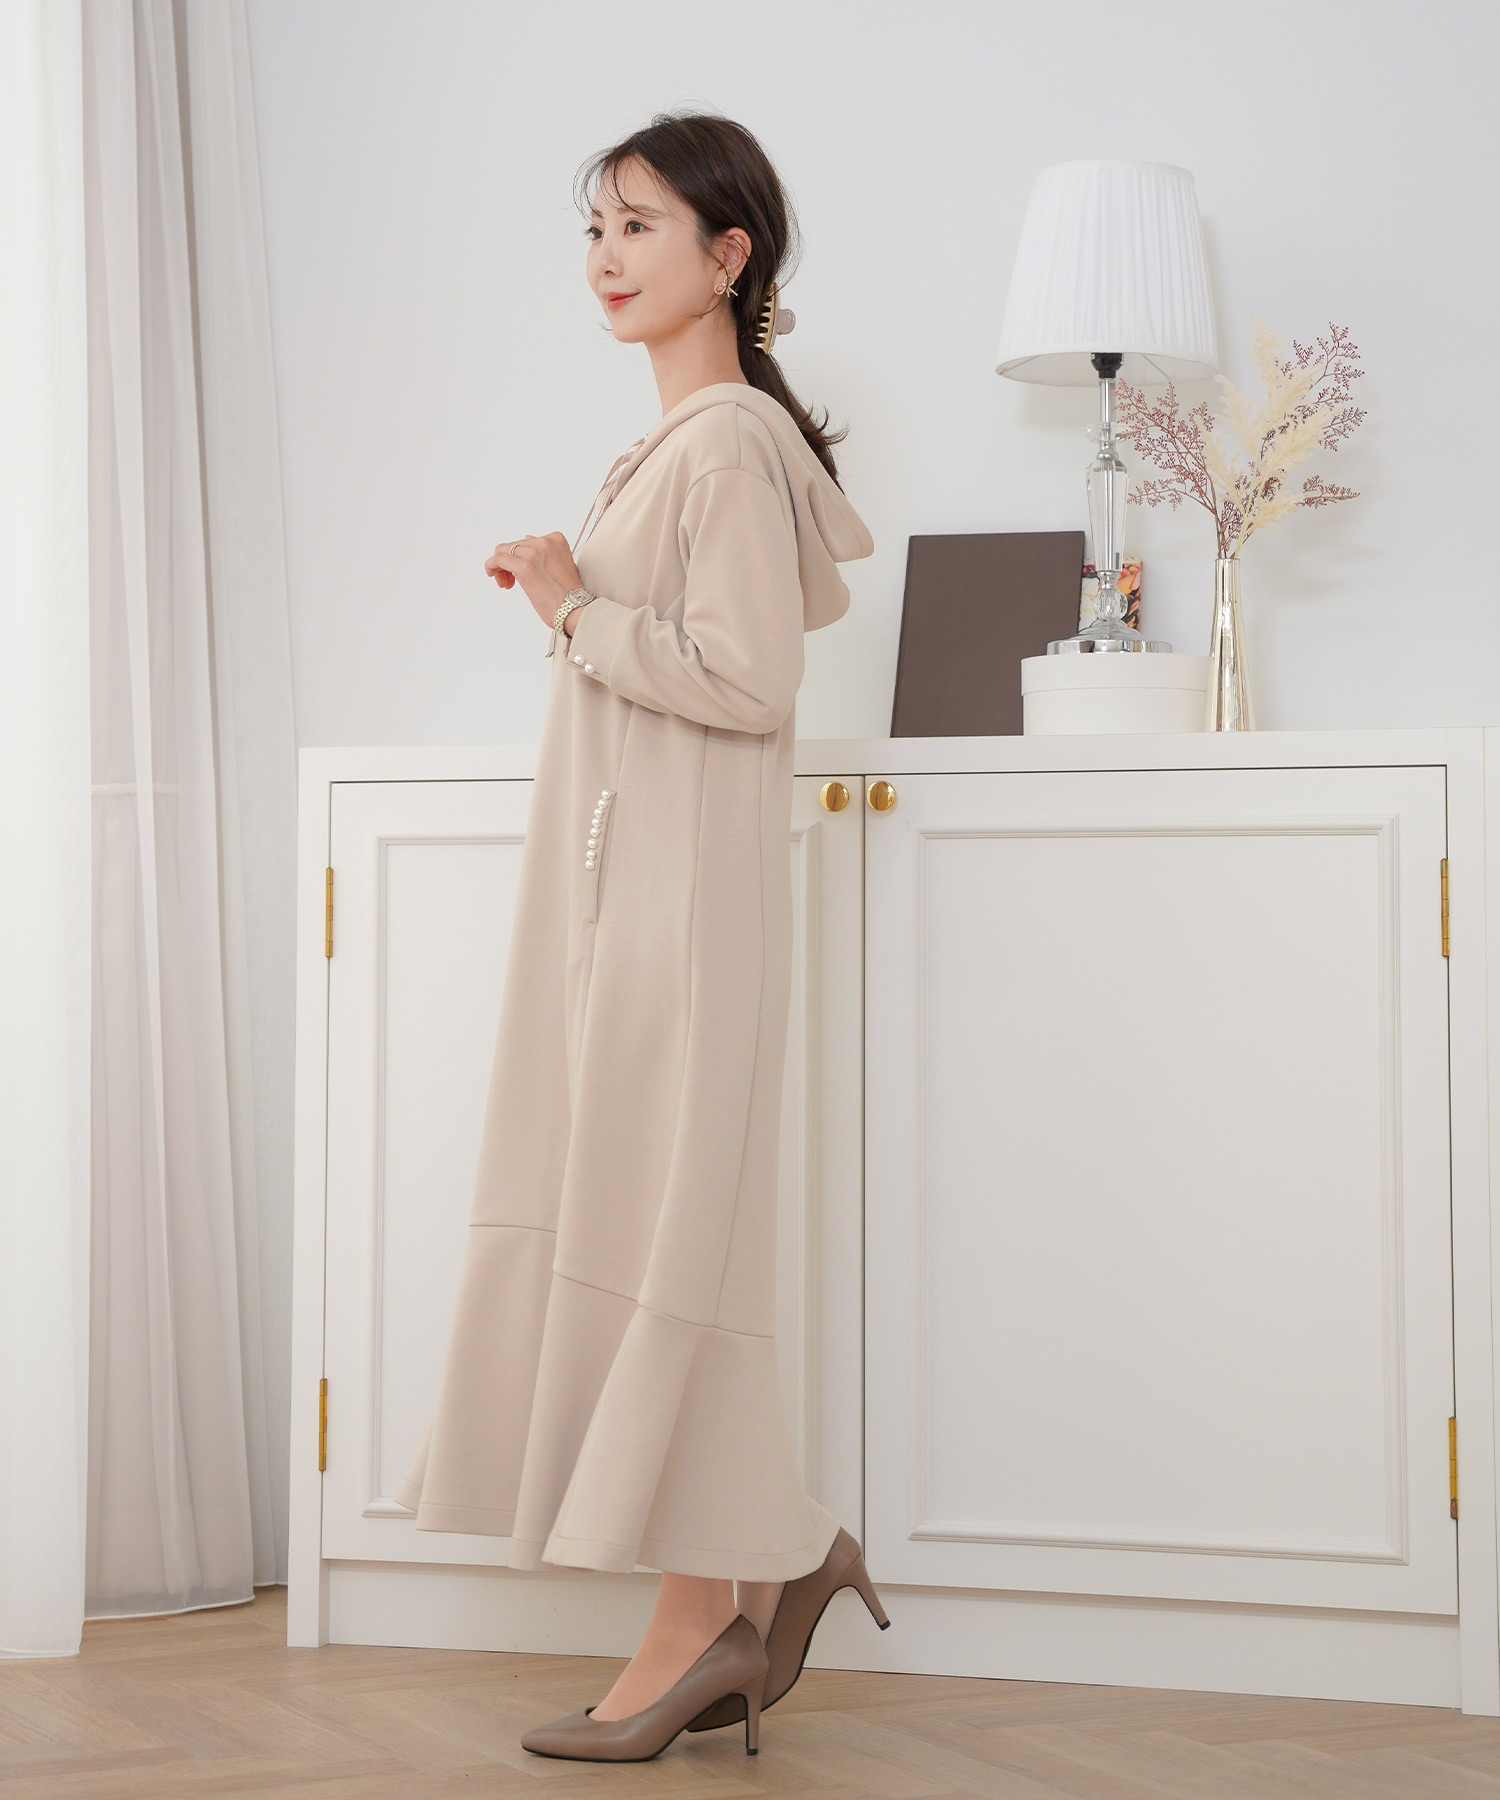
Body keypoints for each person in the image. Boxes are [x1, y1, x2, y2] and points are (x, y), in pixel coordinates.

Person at [393, 110, 886, 1763]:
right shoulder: (686, 443)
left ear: (728, 256)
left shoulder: (726, 443)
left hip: (682, 919)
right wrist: (576, 589)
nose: (606, 259)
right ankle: (757, 1569)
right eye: (594, 229)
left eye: (640, 227)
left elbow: (747, 675)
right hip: (651, 907)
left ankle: (705, 1616)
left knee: (677, 1242)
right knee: (665, 1236)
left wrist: (570, 606)